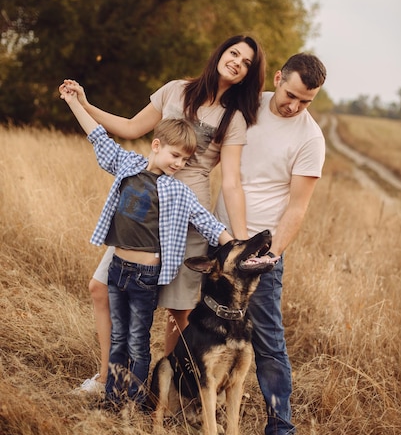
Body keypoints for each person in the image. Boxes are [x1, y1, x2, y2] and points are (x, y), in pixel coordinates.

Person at [59, 34, 265, 393]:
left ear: (248, 74)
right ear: (220, 52)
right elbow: (127, 127)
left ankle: (166, 391)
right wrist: (84, 104)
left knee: (178, 310)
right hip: (145, 204)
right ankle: (108, 376)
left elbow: (230, 182)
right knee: (101, 288)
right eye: (234, 53)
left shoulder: (233, 118)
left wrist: (241, 239)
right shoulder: (174, 90)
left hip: (187, 213)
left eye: (247, 62)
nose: (237, 62)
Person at [60, 85, 233, 408]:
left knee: (138, 342)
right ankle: (113, 398)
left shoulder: (178, 192)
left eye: (185, 159)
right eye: (175, 155)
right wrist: (74, 102)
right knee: (119, 340)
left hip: (144, 277)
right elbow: (99, 138)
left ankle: (137, 403)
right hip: (117, 270)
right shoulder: (128, 166)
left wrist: (233, 246)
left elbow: (207, 223)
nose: (179, 163)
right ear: (156, 145)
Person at [214, 52, 327, 435]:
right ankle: (190, 403)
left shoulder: (310, 138)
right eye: (291, 94)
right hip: (219, 239)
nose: (295, 106)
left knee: (267, 336)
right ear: (278, 78)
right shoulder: (247, 105)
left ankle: (280, 428)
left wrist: (270, 255)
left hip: (262, 251)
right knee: (200, 322)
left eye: (306, 101)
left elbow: (298, 207)